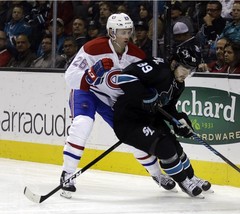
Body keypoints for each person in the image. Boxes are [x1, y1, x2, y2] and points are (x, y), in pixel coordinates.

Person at [61, 13, 176, 198]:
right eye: (122, 31)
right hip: (87, 91)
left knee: (134, 133)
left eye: (129, 31)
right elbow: (70, 76)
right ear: (112, 32)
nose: (127, 35)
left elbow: (143, 81)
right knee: (82, 124)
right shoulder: (93, 48)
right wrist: (91, 72)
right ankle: (67, 174)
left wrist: (149, 93)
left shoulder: (136, 55)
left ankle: (157, 175)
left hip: (111, 99)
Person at [113, 46, 212, 198]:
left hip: (150, 118)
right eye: (184, 67)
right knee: (165, 148)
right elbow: (124, 77)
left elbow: (168, 107)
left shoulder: (179, 84)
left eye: (191, 70)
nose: (187, 73)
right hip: (129, 121)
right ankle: (184, 182)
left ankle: (191, 177)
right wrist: (144, 95)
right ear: (174, 63)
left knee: (175, 146)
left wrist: (179, 121)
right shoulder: (158, 68)